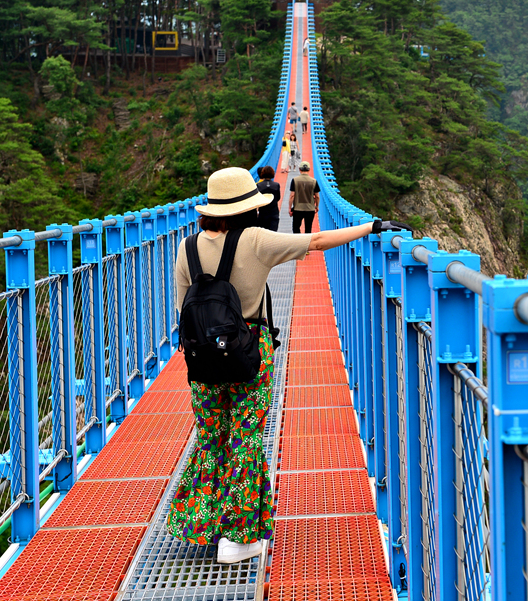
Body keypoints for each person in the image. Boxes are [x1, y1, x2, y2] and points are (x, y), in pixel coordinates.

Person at [166, 167, 404, 564]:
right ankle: (238, 538)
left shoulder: (186, 247)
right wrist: (371, 227)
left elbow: (182, 307)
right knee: (244, 437)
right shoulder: (256, 239)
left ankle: (204, 523)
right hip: (248, 352)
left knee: (211, 437)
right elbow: (318, 240)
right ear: (248, 208)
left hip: (201, 357)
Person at [289, 161, 319, 234]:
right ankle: (306, 241)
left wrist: (290, 208)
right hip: (310, 208)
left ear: (299, 169)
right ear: (309, 169)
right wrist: (316, 206)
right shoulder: (314, 181)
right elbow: (317, 196)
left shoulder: (294, 180)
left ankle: (298, 241)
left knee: (296, 228)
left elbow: (292, 195)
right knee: (308, 228)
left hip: (297, 208)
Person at [256, 166, 281, 231]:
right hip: (273, 212)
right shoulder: (276, 185)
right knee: (273, 233)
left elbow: (257, 199)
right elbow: (278, 198)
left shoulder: (259, 185)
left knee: (263, 233)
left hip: (263, 213)